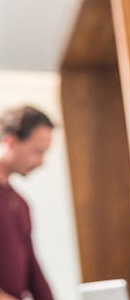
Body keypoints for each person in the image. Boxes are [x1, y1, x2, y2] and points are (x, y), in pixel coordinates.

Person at [0, 105, 55, 300]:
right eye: (37, 152)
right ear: (11, 141)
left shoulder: (20, 203)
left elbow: (32, 269)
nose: (42, 162)